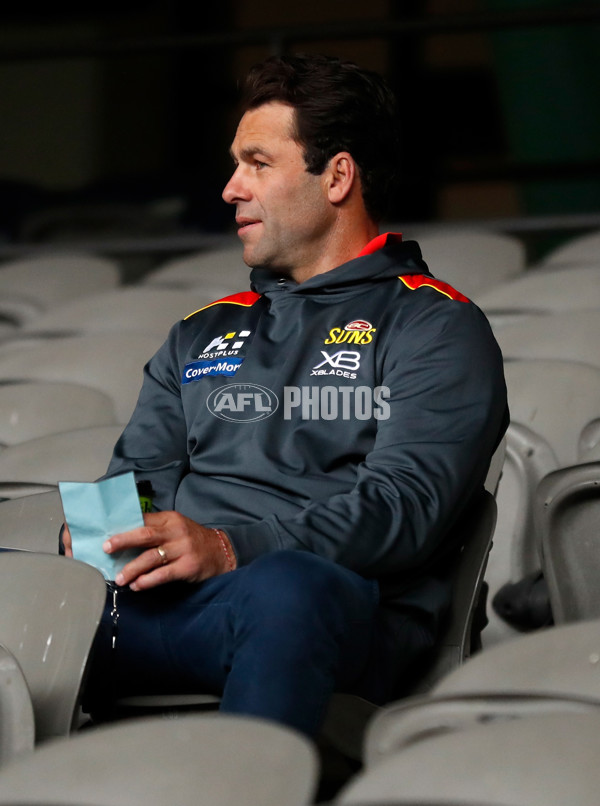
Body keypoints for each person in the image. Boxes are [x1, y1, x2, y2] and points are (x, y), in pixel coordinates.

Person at [62, 53, 508, 738]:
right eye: (235, 165)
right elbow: (136, 480)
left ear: (337, 176)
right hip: (172, 604)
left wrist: (231, 546)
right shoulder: (199, 331)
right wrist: (99, 535)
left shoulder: (434, 322)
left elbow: (405, 506)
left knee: (286, 593)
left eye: (258, 164)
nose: (229, 188)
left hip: (326, 608)